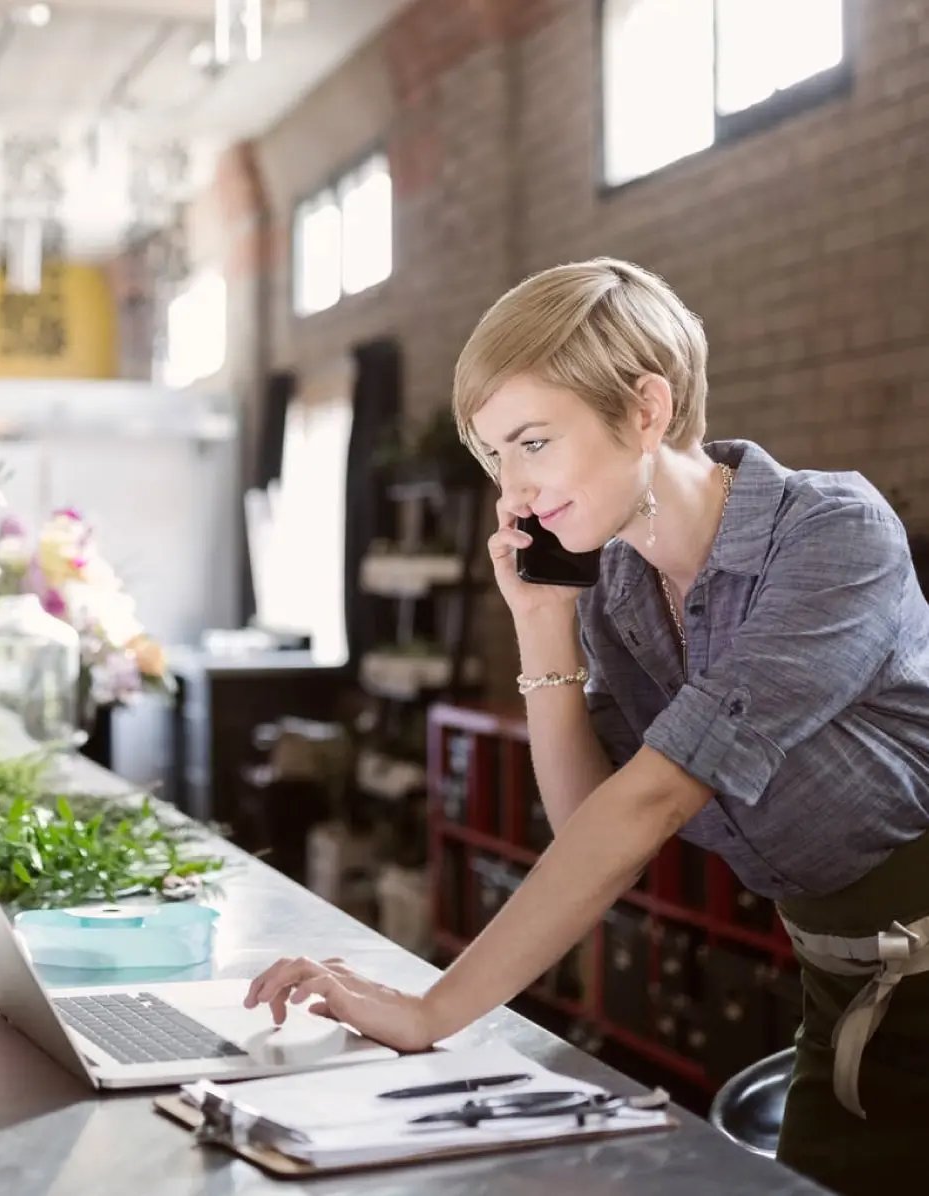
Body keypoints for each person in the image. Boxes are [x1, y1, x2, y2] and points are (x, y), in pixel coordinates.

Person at [243, 258, 929, 1195]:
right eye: (495, 457)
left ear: (646, 410)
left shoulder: (831, 535)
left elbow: (650, 802)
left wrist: (433, 1008)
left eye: (532, 442)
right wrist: (540, 621)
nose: (513, 490)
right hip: (842, 987)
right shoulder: (617, 590)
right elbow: (589, 827)